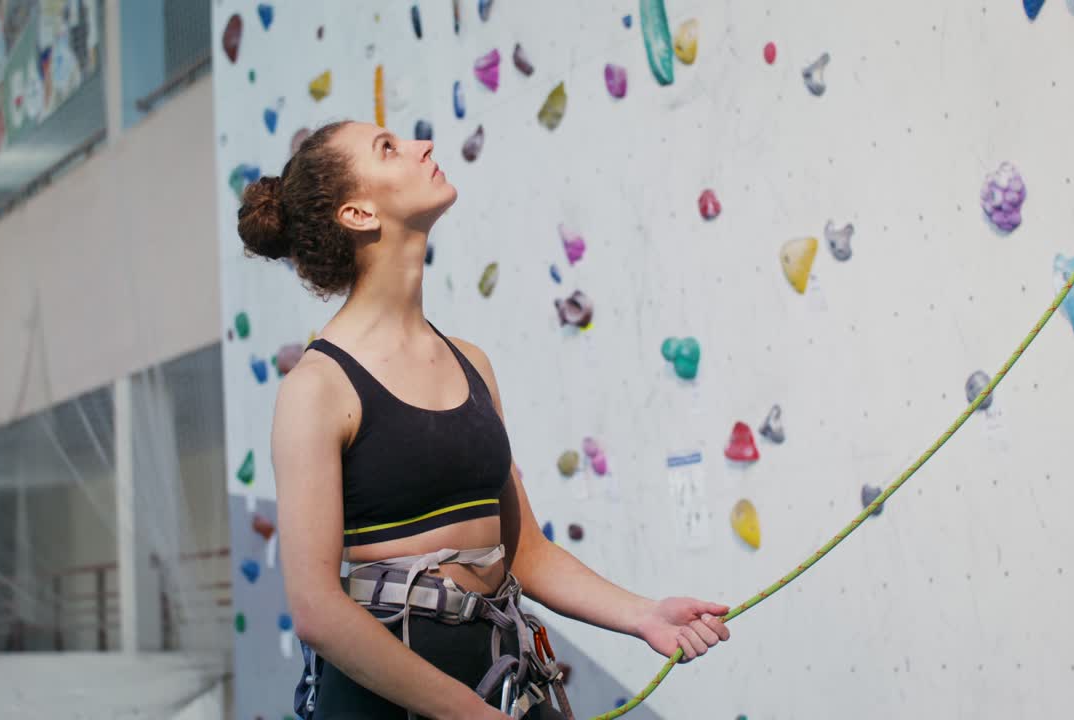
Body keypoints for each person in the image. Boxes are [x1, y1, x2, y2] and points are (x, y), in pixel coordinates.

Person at [237, 120, 732, 720]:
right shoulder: (316, 387)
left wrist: (644, 615)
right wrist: (469, 714)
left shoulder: (471, 364)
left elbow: (526, 553)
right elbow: (317, 610)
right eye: (388, 149)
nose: (423, 146)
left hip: (498, 677)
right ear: (358, 214)